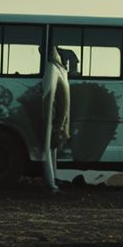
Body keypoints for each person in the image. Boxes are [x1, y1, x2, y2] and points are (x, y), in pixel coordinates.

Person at [40, 49, 71, 194]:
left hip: (58, 120)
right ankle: (51, 183)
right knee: (49, 148)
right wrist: (48, 122)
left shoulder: (61, 71)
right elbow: (48, 95)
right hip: (52, 120)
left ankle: (54, 179)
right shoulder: (53, 69)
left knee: (53, 149)